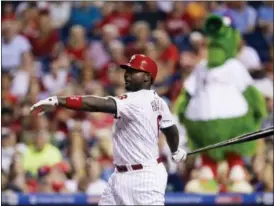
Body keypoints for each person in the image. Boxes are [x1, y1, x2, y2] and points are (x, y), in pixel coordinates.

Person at [30, 54, 187, 205]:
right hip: (122, 175)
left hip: (143, 178)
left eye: (133, 72)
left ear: (147, 77)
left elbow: (97, 104)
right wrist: (175, 150)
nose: (127, 75)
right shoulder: (159, 101)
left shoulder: (135, 100)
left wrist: (59, 100)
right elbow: (170, 129)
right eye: (127, 71)